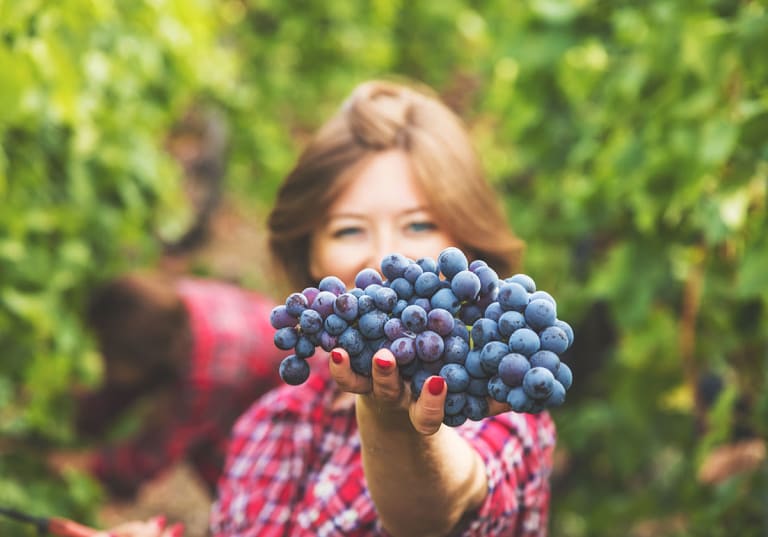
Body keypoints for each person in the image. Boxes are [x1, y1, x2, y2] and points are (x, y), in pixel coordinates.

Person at [101, 78, 556, 537]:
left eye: (418, 225)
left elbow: (438, 514)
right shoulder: (267, 423)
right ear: (310, 252)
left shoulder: (500, 406)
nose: (383, 255)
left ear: (466, 241)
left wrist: (394, 424)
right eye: (348, 230)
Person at [58, 273, 287, 501]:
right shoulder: (166, 306)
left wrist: (85, 466)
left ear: (141, 357)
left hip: (289, 403)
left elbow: (154, 454)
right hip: (256, 353)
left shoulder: (209, 375)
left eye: (106, 355)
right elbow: (124, 383)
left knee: (226, 468)